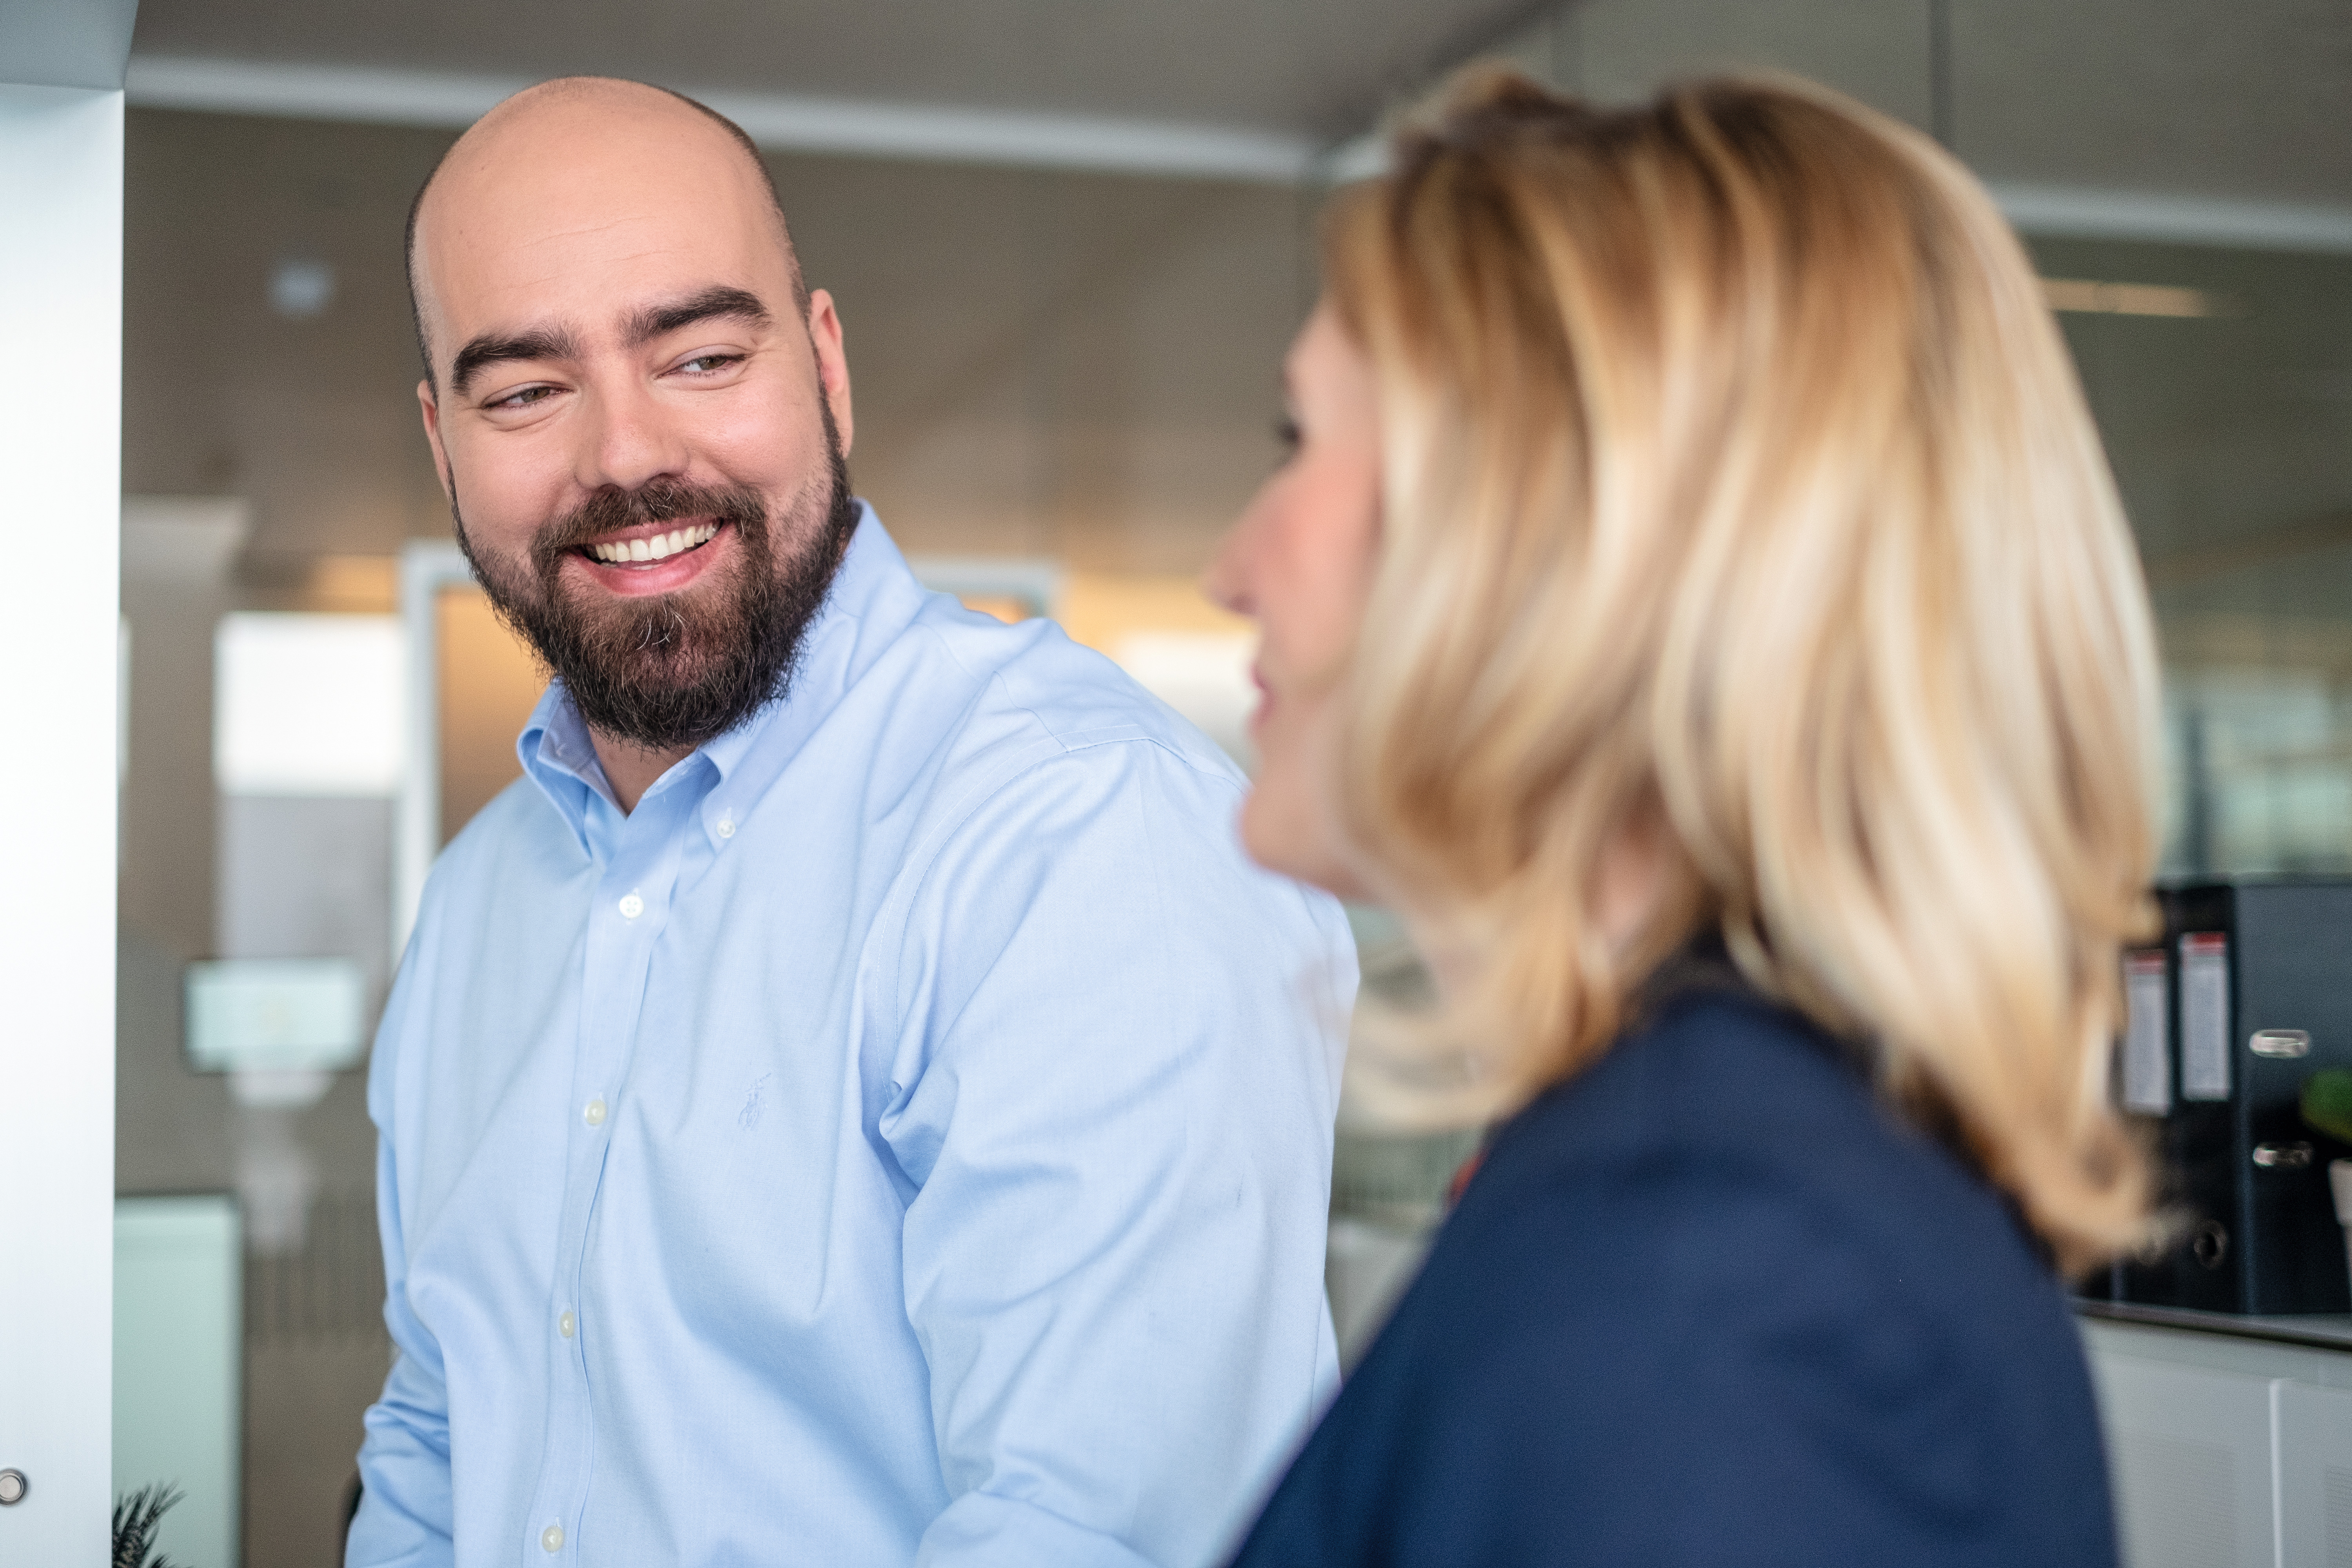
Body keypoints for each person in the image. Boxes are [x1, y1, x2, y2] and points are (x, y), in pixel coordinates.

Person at [348, 76, 1357, 1568]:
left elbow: (1098, 1536)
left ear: (824, 365)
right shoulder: (476, 908)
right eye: (525, 393)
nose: (624, 456)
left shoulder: (1076, 834)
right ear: (443, 445)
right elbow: (438, 1444)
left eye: (697, 354)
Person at [1209, 69, 2158, 1566]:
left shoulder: (1709, 1289)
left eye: (1300, 442)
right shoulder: (1715, 1189)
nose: (1231, 567)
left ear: (1549, 538)